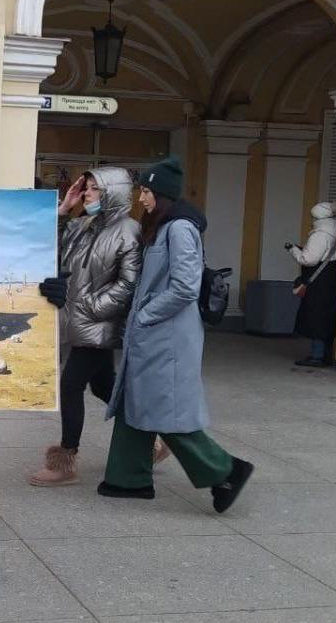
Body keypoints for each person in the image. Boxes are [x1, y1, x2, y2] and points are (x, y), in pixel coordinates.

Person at [98, 155, 254, 513]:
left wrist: (146, 316)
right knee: (136, 402)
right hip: (155, 334)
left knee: (162, 409)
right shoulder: (165, 224)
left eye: (147, 191)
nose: (142, 199)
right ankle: (128, 478)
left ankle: (226, 470)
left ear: (163, 194)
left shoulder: (179, 228)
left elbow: (185, 286)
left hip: (165, 335)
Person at [28, 167, 154, 486]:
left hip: (97, 323)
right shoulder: (83, 224)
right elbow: (47, 243)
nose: (87, 194)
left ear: (112, 192)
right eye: (86, 189)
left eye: (94, 189)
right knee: (103, 387)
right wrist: (64, 209)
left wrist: (90, 308)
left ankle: (65, 460)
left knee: (71, 385)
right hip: (77, 321)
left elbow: (128, 283)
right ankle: (154, 438)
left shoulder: (128, 229)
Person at [287, 202, 336, 367]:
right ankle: (326, 355)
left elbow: (309, 259)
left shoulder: (321, 234)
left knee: (316, 317)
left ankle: (317, 356)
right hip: (333, 277)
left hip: (320, 281)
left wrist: (293, 249)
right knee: (329, 317)